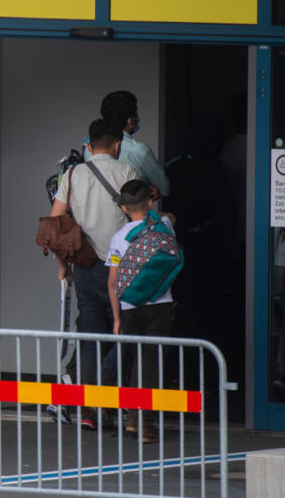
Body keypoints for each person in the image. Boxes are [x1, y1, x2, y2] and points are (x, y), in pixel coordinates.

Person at [49, 119, 138, 430]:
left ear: (90, 144)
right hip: (123, 267)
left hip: (85, 266)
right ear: (116, 144)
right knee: (125, 333)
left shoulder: (74, 174)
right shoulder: (126, 171)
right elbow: (138, 213)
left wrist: (64, 264)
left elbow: (55, 220)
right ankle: (108, 402)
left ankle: (88, 410)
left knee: (89, 338)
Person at [106, 180, 177, 443]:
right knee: (153, 363)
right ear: (149, 202)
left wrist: (116, 318)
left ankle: (133, 420)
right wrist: (153, 207)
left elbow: (112, 283)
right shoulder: (164, 226)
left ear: (123, 208)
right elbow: (171, 216)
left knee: (134, 361)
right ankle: (145, 423)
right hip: (160, 304)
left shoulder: (118, 238)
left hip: (129, 306)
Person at [85, 90, 169, 199]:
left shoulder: (90, 143)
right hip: (129, 214)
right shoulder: (140, 152)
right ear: (130, 121)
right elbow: (164, 188)